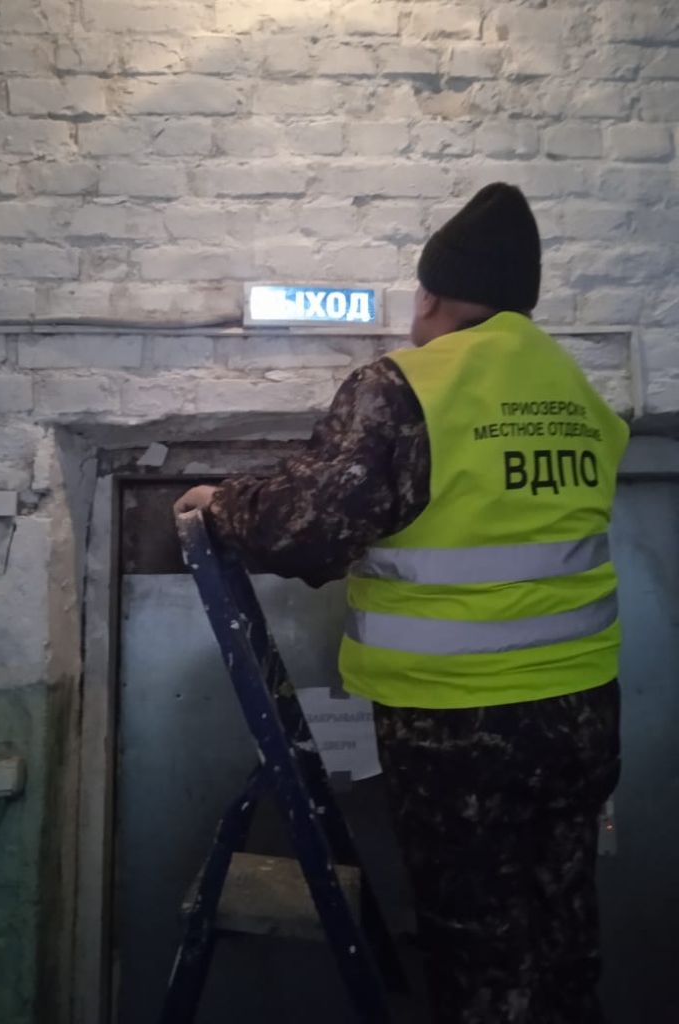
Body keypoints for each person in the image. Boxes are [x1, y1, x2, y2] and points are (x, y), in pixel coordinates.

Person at [175, 183, 630, 1024]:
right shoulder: (575, 389)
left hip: (462, 724)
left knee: (480, 956)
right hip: (581, 713)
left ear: (429, 296)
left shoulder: (405, 387)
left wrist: (222, 504)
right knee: (563, 937)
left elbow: (309, 528)